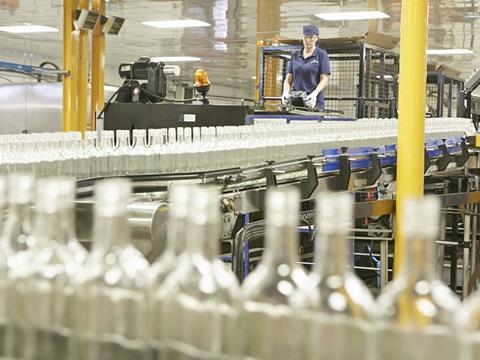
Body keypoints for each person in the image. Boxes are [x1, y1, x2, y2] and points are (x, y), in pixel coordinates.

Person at [282, 24, 331, 110]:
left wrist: (314, 94)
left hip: (312, 100)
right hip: (296, 100)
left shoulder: (321, 55)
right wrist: (285, 92)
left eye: (311, 37)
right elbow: (288, 79)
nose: (308, 40)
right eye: (305, 37)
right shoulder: (295, 56)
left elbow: (324, 79)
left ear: (316, 38)